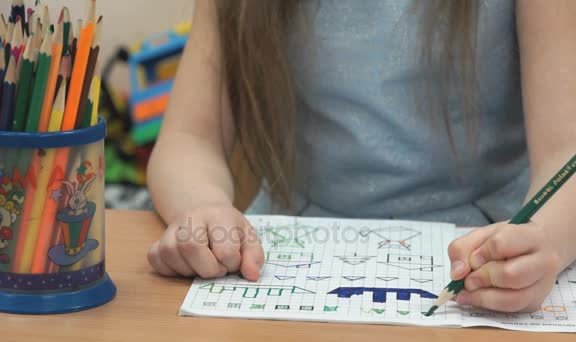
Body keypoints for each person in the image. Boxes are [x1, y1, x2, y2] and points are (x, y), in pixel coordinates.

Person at [146, 0, 576, 313]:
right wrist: (202, 207)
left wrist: (546, 236)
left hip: (489, 245)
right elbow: (188, 137)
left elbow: (566, 151)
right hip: (286, 251)